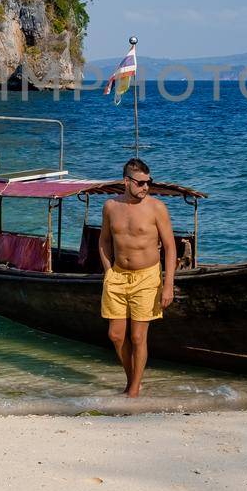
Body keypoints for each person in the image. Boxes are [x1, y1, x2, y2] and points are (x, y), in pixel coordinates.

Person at [98, 157, 176, 397]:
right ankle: (133, 380)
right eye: (141, 183)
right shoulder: (111, 206)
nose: (146, 187)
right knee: (115, 335)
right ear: (126, 181)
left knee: (138, 336)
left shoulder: (156, 208)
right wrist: (108, 271)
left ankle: (132, 391)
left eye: (148, 183)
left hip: (147, 277)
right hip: (118, 277)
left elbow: (170, 247)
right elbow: (104, 241)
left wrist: (168, 285)